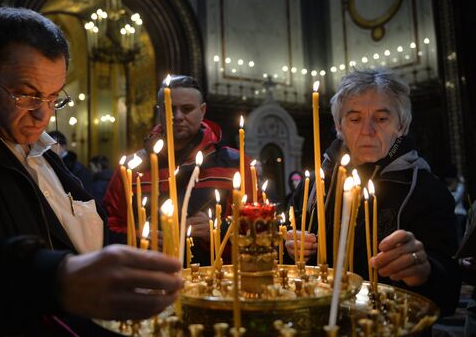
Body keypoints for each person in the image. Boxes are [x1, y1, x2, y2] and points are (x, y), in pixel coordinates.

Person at [0, 7, 181, 335]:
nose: (42, 115)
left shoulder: (52, 157)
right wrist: (55, 278)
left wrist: (136, 247)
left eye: (53, 97)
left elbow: (78, 234)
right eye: (26, 95)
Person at [285, 69, 460, 317]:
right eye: (355, 119)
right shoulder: (313, 186)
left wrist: (423, 270)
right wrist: (290, 244)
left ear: (402, 125)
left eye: (381, 119)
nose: (367, 130)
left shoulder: (426, 191)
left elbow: (449, 291)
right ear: (339, 126)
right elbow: (284, 252)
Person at [104, 75, 257, 265]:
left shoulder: (236, 163)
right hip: (148, 277)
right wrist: (137, 237)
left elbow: (258, 229)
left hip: (213, 282)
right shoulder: (132, 167)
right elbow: (108, 225)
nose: (177, 117)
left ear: (202, 111)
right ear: (160, 112)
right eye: (170, 109)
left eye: (186, 109)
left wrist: (219, 230)